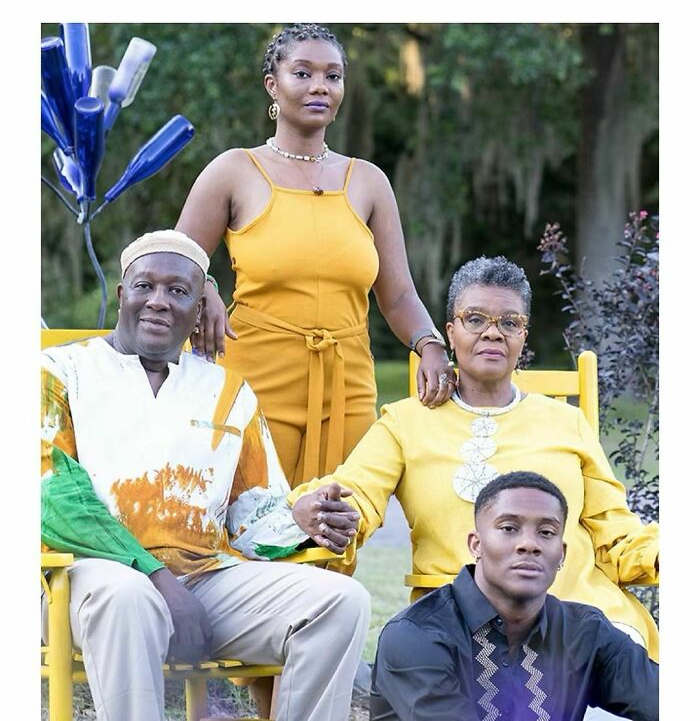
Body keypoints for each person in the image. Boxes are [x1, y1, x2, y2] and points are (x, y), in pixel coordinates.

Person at [41, 230, 369, 721]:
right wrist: (158, 580)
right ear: (121, 294)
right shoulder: (60, 371)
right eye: (144, 286)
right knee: (128, 597)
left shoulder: (226, 390)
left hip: (204, 584)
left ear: (199, 311)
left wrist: (300, 519)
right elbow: (53, 500)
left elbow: (251, 510)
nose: (157, 301)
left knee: (340, 602)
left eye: (178, 292)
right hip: (84, 582)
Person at [290, 256, 659, 668]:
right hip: (467, 625)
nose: (493, 333)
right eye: (475, 319)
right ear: (450, 332)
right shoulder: (405, 423)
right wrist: (325, 510)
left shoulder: (565, 421)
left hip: (584, 612)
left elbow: (617, 532)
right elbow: (354, 494)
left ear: (523, 336)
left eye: (509, 323)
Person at [175, 23, 455, 488]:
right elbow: (176, 260)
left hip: (347, 385)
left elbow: (399, 293)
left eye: (333, 75)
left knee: (340, 526)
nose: (320, 86)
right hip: (255, 379)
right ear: (273, 84)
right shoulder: (234, 170)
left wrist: (429, 345)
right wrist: (205, 286)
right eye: (302, 73)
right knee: (252, 525)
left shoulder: (368, 181)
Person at [370, 472, 659, 721]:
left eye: (546, 532)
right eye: (509, 528)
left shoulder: (584, 631)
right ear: (476, 544)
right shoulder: (418, 636)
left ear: (562, 554)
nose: (529, 544)